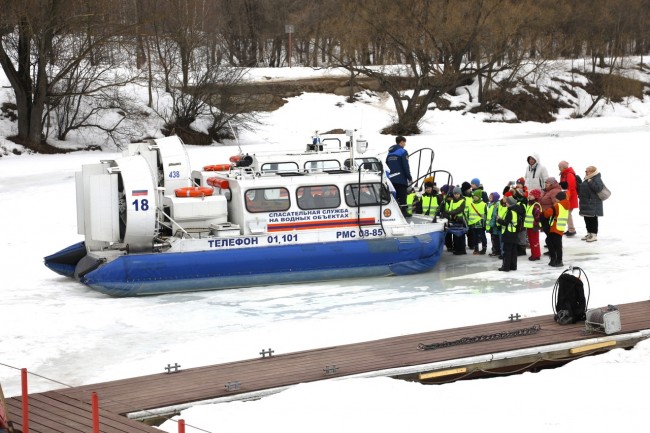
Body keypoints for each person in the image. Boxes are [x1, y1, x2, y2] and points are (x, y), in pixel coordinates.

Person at [386, 135, 412, 217]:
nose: (405, 144)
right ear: (401, 142)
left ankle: (394, 212)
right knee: (403, 195)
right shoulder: (403, 152)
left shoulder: (389, 153)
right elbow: (405, 165)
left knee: (394, 196)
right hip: (400, 178)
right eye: (404, 143)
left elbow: (386, 165)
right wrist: (409, 176)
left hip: (391, 179)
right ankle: (403, 212)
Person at [578, 165, 605, 242]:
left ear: (592, 172)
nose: (586, 172)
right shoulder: (587, 178)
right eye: (585, 171)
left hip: (593, 203)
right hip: (585, 203)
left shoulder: (596, 178)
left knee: (593, 219)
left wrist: (591, 182)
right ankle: (589, 233)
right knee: (587, 218)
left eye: (587, 171)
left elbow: (598, 188)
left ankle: (594, 234)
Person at [543, 191, 569, 267]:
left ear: (559, 198)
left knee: (552, 242)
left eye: (556, 198)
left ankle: (555, 260)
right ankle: (556, 260)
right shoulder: (566, 205)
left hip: (555, 227)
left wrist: (543, 212)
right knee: (557, 244)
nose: (555, 200)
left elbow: (547, 213)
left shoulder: (558, 205)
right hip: (560, 227)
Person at [497, 196, 519, 271]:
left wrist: (499, 220)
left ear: (509, 203)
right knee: (513, 251)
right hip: (514, 232)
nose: (505, 203)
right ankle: (513, 266)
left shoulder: (510, 211)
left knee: (507, 251)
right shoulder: (516, 210)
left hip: (508, 233)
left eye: (507, 202)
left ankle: (506, 267)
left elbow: (506, 223)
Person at [558, 160, 579, 236]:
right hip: (567, 196)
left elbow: (571, 187)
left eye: (559, 167)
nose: (559, 168)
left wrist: (566, 197)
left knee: (567, 213)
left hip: (570, 197)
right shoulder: (564, 174)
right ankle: (571, 229)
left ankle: (571, 230)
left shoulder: (569, 174)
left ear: (563, 167)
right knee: (567, 213)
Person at [446, 187, 467, 255]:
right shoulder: (452, 201)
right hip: (454, 220)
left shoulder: (462, 201)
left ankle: (462, 250)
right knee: (455, 235)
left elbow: (459, 210)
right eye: (455, 194)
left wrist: (449, 213)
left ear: (460, 194)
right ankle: (456, 249)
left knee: (460, 236)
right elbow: (450, 209)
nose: (456, 195)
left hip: (460, 220)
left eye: (457, 194)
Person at [467, 190, 488, 255]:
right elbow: (468, 213)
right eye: (474, 196)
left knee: (482, 236)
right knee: (475, 237)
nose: (474, 197)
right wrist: (468, 221)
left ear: (479, 196)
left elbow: (486, 214)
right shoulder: (471, 204)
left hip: (481, 223)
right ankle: (476, 249)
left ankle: (484, 248)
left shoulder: (484, 204)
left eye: (476, 196)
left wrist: (485, 224)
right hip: (473, 223)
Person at [525, 189, 543, 261]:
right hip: (529, 226)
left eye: (531, 195)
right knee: (531, 240)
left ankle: (536, 255)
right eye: (529, 194)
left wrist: (536, 225)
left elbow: (537, 217)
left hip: (533, 226)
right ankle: (534, 253)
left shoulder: (535, 205)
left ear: (536, 196)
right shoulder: (530, 204)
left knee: (534, 241)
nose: (529, 196)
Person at [486, 192, 502, 258]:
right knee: (493, 238)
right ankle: (495, 250)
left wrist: (492, 225)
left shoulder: (496, 205)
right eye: (489, 197)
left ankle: (496, 251)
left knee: (495, 238)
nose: (489, 198)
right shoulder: (491, 204)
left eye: (491, 197)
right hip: (491, 225)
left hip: (494, 225)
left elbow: (494, 216)